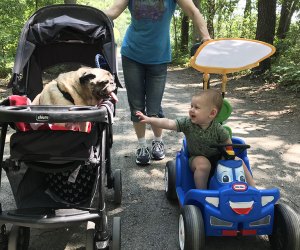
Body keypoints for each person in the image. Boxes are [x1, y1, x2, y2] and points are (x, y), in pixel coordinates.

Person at [104, 0, 211, 166]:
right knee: (137, 105)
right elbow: (112, 11)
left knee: (154, 105)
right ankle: (141, 146)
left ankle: (157, 141)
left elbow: (194, 12)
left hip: (159, 57)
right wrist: (86, 18)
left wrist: (206, 38)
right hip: (132, 54)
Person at [136, 89, 255, 189]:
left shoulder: (218, 129)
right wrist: (150, 119)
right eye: (191, 106)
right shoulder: (187, 123)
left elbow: (228, 144)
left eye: (196, 107)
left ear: (212, 113)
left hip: (218, 157)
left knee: (238, 161)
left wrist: (228, 156)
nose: (191, 110)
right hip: (196, 158)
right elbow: (168, 123)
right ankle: (203, 193)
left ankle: (253, 190)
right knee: (203, 164)